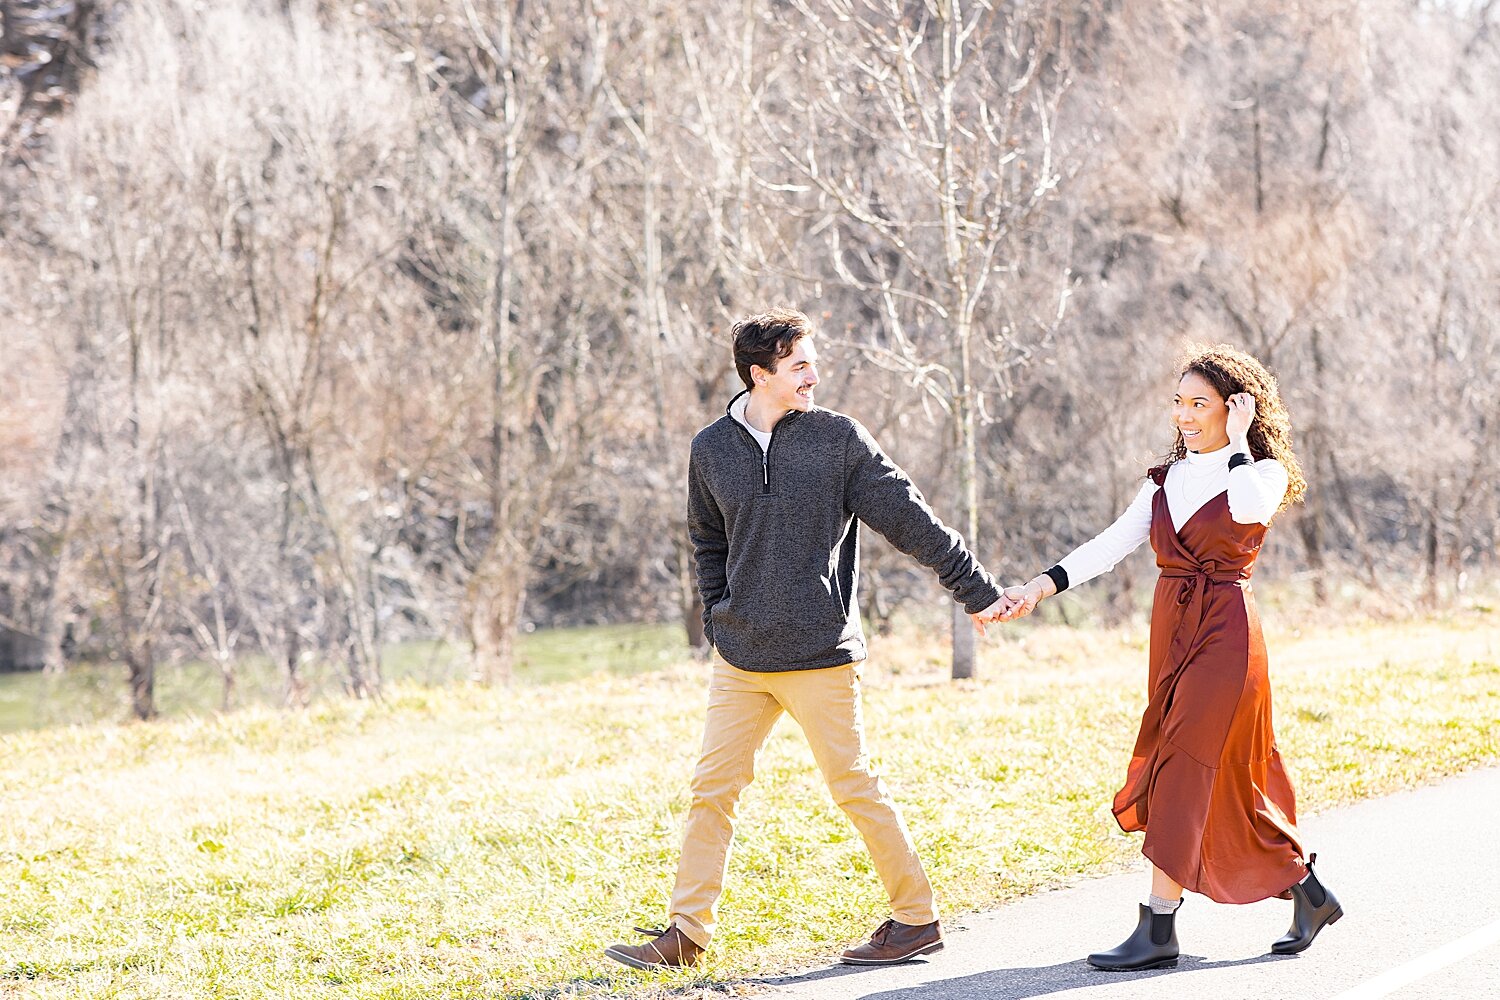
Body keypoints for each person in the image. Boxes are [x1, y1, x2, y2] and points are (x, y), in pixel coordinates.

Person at [605, 308, 1013, 971]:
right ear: (760, 374)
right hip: (741, 657)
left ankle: (916, 918)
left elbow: (911, 519)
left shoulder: (837, 440)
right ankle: (686, 933)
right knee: (712, 790)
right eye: (799, 367)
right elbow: (706, 540)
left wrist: (977, 590)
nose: (813, 377)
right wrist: (717, 616)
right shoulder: (710, 448)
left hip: (820, 653)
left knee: (853, 785)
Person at [999, 345, 1342, 970]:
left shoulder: (1258, 473)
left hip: (1226, 635)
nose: (1185, 416)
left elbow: (1244, 512)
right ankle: (1307, 891)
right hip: (1173, 629)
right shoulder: (1165, 479)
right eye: (1179, 403)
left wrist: (1238, 441)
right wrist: (1039, 586)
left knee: (1182, 763)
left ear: (1236, 409)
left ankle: (1158, 926)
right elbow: (1110, 545)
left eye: (1200, 405)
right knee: (1217, 779)